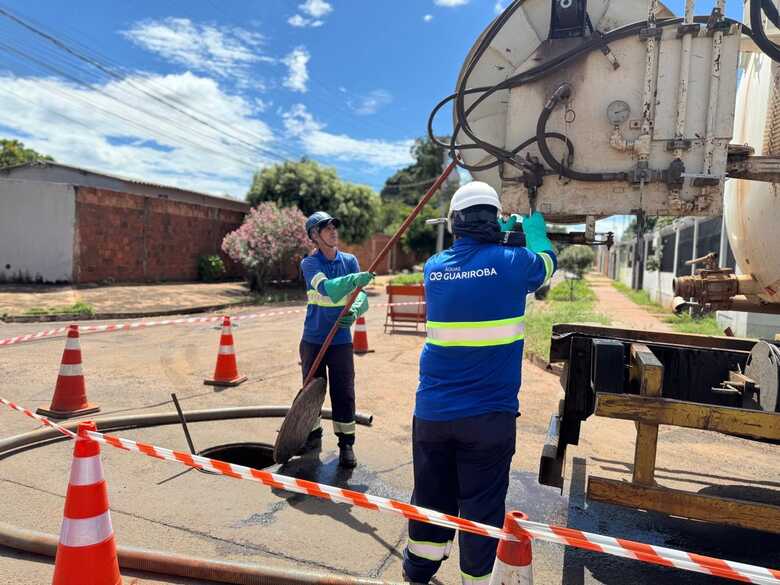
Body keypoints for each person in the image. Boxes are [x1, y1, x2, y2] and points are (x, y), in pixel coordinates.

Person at [402, 182, 557, 584]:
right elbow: (546, 264)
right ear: (494, 220)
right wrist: (536, 232)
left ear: (455, 223)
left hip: (433, 415)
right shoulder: (514, 263)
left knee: (431, 500)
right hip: (488, 419)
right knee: (481, 508)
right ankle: (474, 579)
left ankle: (417, 573)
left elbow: (475, 265)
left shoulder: (434, 268)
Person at [299, 211, 375, 468]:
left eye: (334, 226)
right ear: (314, 236)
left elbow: (360, 297)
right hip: (314, 340)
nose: (333, 231)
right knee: (311, 391)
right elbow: (328, 290)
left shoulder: (350, 260)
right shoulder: (310, 264)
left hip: (340, 341)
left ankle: (346, 445)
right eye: (326, 228)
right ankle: (312, 434)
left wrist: (355, 310)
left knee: (343, 392)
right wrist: (355, 280)